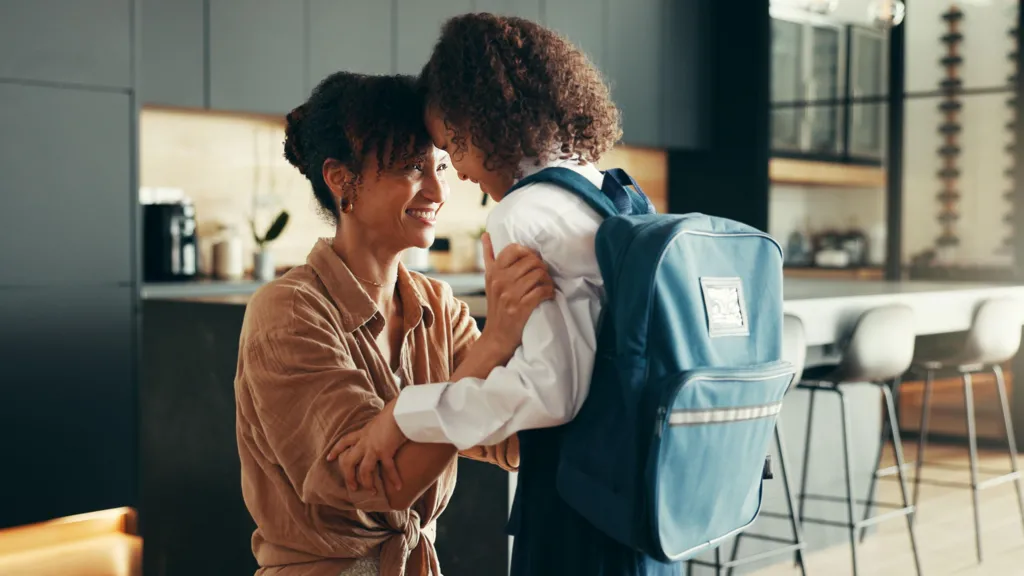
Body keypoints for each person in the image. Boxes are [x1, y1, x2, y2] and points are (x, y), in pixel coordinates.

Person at [329, 12, 675, 576]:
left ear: (482, 123)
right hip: (641, 496)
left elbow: (550, 394)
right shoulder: (600, 189)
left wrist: (402, 413)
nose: (458, 176)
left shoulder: (524, 211)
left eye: (451, 148)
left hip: (584, 511)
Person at [233, 71, 555, 576]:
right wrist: (496, 340)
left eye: (441, 166)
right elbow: (379, 485)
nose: (437, 189)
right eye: (411, 167)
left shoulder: (437, 304)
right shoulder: (288, 312)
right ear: (342, 179)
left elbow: (498, 432)